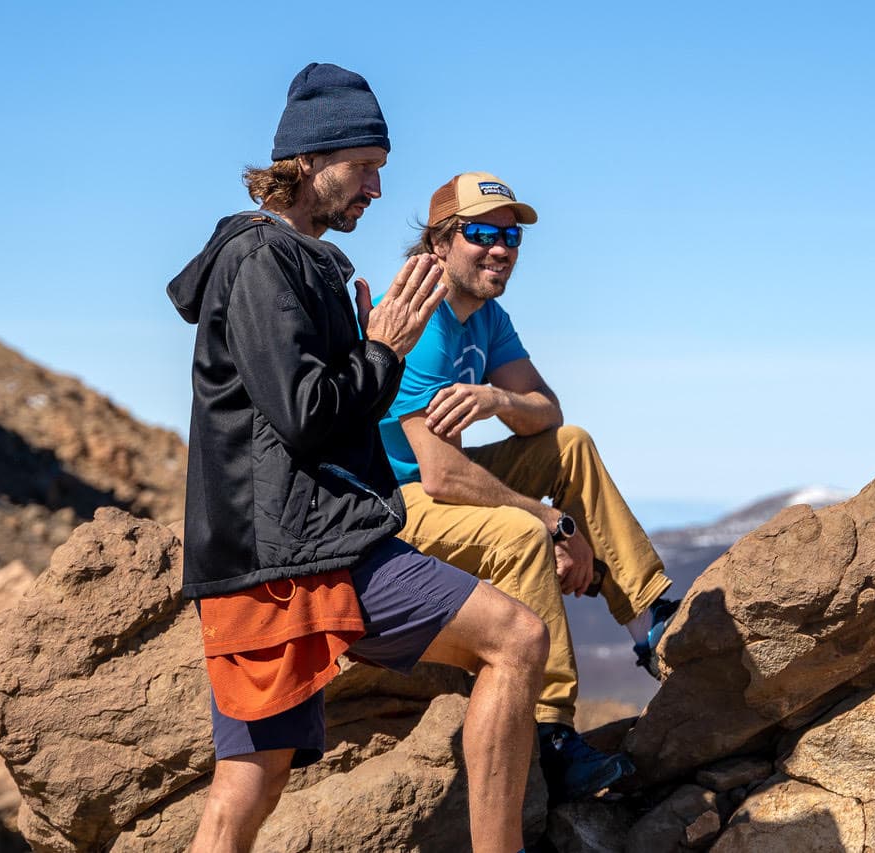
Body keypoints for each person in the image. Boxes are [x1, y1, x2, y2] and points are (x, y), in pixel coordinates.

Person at [167, 66, 547, 853]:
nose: (377, 187)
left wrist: (374, 353)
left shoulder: (297, 262)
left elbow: (320, 411)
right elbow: (306, 415)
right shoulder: (261, 262)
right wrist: (383, 351)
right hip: (299, 553)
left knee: (253, 776)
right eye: (365, 165)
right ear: (308, 159)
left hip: (273, 549)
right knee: (517, 637)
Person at [377, 171, 680, 803]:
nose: (501, 248)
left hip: (444, 485)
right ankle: (551, 734)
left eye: (511, 236)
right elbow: (438, 474)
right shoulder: (419, 323)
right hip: (393, 502)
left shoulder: (486, 316)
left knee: (572, 447)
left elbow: (548, 411)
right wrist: (554, 524)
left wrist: (494, 398)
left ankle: (649, 625)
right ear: (438, 243)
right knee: (521, 531)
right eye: (482, 233)